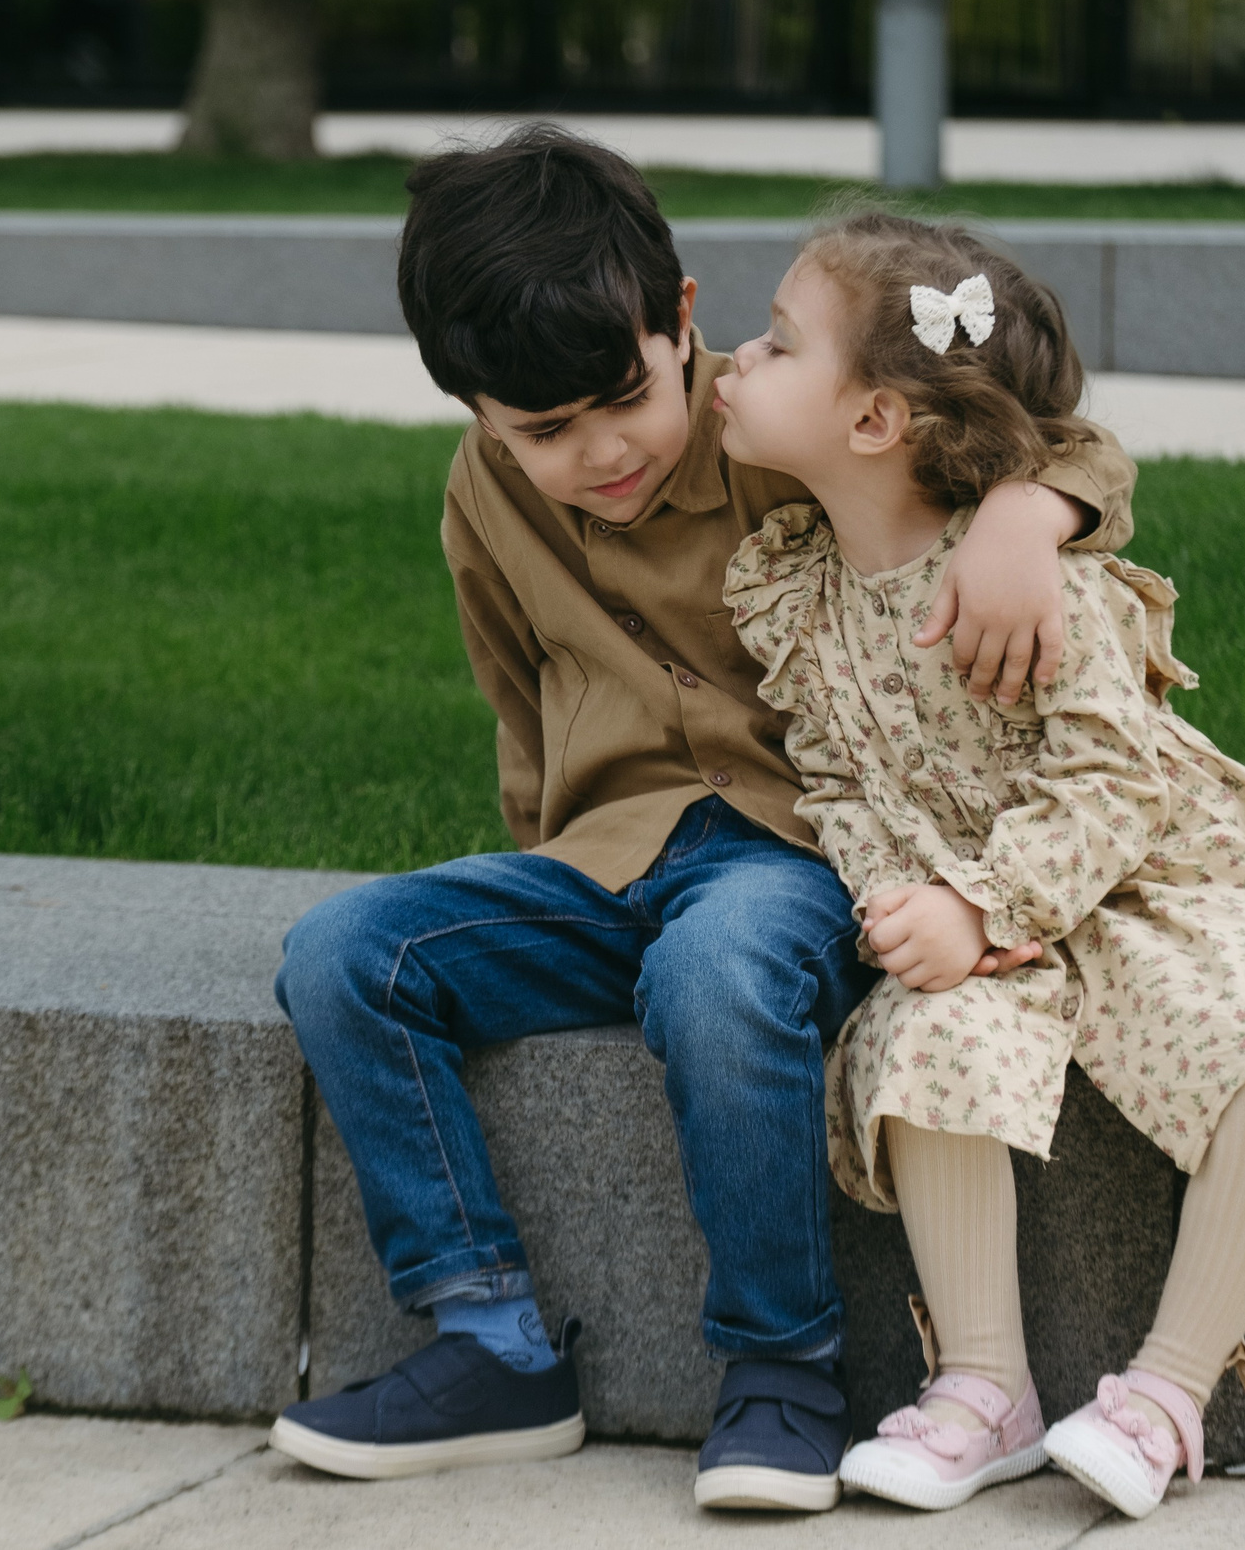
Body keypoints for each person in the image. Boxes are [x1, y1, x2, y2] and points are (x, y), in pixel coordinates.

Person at [267, 128, 1141, 1511]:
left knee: (716, 967)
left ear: (680, 322)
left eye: (622, 398)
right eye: (539, 431)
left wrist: (1028, 515)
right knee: (341, 953)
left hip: (798, 859)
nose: (598, 451)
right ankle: (490, 1342)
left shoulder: (782, 417)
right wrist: (526, 881)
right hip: (603, 863)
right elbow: (520, 696)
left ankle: (782, 1373)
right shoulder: (484, 495)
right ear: (475, 409)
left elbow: (1060, 433)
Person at [715, 210, 1245, 1520]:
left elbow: (1114, 776)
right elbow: (837, 776)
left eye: (771, 344)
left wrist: (992, 901)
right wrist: (906, 905)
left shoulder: (1033, 581)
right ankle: (984, 1390)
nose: (731, 366)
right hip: (960, 895)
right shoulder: (794, 591)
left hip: (1148, 873)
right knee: (926, 1041)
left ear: (874, 421)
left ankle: (1165, 1393)